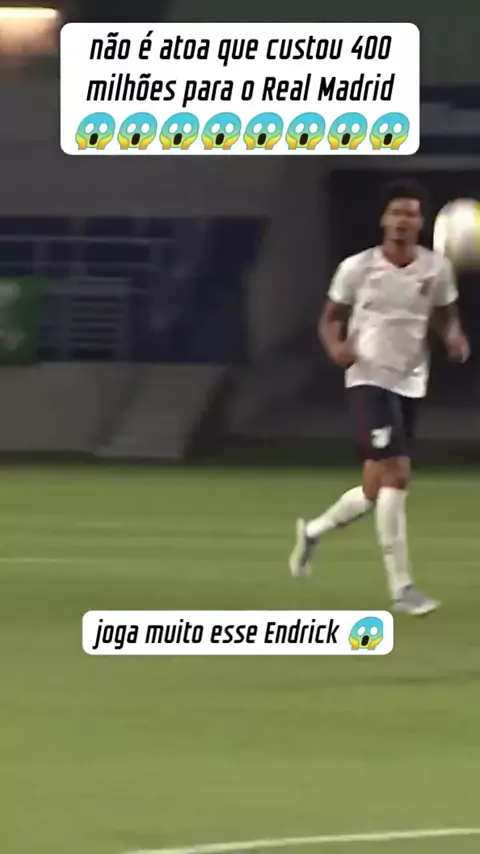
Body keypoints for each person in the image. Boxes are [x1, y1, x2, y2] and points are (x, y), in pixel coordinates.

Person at [289, 179, 470, 615]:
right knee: (398, 473)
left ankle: (312, 532)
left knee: (375, 491)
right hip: (368, 378)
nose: (403, 220)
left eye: (411, 213)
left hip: (412, 380)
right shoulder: (356, 268)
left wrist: (453, 335)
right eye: (397, 212)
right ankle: (402, 588)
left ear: (421, 223)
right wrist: (336, 348)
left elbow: (443, 315)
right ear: (384, 219)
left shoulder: (436, 269)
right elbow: (330, 317)